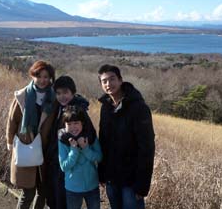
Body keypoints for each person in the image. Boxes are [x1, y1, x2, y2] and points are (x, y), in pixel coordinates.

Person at [97, 64, 155, 209]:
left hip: (132, 180)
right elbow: (103, 141)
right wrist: (102, 173)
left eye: (112, 79)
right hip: (111, 177)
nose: (108, 84)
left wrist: (142, 185)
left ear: (121, 80)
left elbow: (147, 148)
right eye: (104, 81)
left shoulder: (139, 108)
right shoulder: (105, 107)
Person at [6, 60, 57, 209]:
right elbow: (12, 120)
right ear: (33, 76)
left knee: (43, 191)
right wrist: (10, 142)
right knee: (28, 192)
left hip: (45, 150)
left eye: (46, 77)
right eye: (39, 76)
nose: (43, 80)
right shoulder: (22, 95)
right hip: (25, 147)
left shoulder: (53, 98)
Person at [45, 75, 97, 209]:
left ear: (73, 92)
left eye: (66, 92)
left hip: (71, 164)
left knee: (63, 200)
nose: (62, 96)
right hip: (57, 160)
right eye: (58, 93)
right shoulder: (58, 107)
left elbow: (90, 134)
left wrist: (66, 136)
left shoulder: (77, 110)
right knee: (55, 198)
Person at [58, 105, 102, 209]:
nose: (73, 127)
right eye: (69, 124)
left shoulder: (90, 137)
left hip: (92, 186)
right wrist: (74, 150)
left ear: (82, 123)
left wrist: (86, 148)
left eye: (76, 123)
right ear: (64, 125)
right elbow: (64, 166)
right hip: (73, 188)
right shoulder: (63, 141)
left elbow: (99, 157)